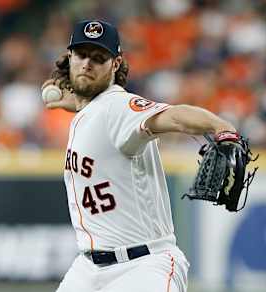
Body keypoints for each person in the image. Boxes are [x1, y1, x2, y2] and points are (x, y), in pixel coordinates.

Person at [42, 19, 237, 292]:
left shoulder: (119, 107)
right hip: (88, 269)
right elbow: (88, 109)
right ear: (70, 57)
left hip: (142, 267)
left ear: (116, 65)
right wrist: (73, 101)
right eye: (81, 55)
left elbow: (174, 116)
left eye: (98, 58)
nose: (87, 64)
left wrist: (221, 127)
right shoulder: (91, 111)